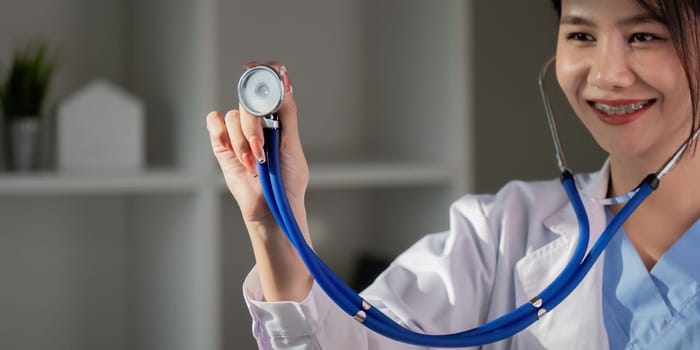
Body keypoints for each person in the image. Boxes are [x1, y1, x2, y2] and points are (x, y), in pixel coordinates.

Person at [205, 0, 700, 348]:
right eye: (581, 35)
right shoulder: (501, 233)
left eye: (644, 35)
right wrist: (277, 228)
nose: (606, 74)